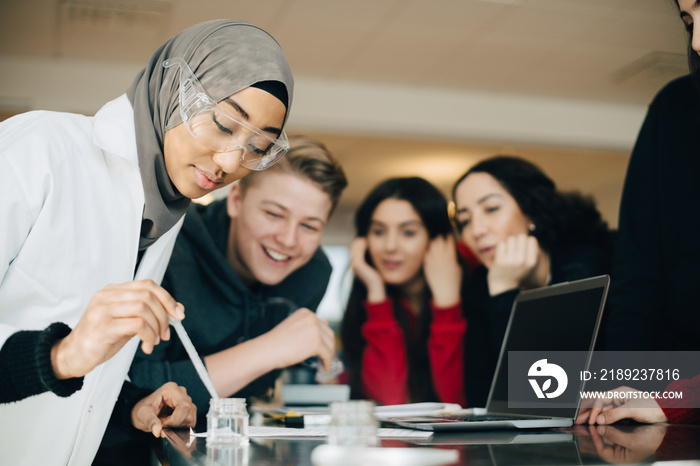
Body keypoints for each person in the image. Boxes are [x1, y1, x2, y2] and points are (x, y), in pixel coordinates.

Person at [0, 20, 294, 465]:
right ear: (174, 89)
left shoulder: (165, 211)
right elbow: (64, 359)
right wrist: (62, 355)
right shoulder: (39, 150)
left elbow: (79, 381)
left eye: (259, 147)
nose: (231, 161)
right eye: (221, 122)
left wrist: (131, 405)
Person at [129, 135, 348, 413]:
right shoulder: (168, 247)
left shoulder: (311, 271)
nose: (289, 240)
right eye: (274, 214)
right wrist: (270, 349)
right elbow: (130, 388)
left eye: (310, 227)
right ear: (235, 200)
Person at [577, 0, 700, 426]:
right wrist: (617, 386)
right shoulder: (676, 109)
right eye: (688, 21)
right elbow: (638, 273)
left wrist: (673, 400)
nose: (697, 41)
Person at [452, 155, 613, 406]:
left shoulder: (590, 267)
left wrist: (504, 292)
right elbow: (482, 396)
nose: (476, 230)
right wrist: (501, 289)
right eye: (465, 220)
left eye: (491, 209)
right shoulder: (481, 285)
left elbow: (548, 395)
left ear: (531, 210)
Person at [340, 177, 467, 406]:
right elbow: (390, 401)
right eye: (379, 231)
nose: (390, 246)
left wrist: (448, 306)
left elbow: (455, 405)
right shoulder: (368, 301)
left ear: (439, 240)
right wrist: (376, 294)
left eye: (408, 233)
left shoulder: (476, 288)